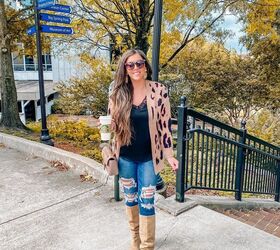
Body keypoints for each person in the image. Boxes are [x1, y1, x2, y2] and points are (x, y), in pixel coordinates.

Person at [107, 49, 178, 250]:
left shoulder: (159, 90)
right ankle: (135, 241)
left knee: (146, 201)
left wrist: (170, 155)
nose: (136, 68)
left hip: (149, 157)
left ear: (145, 66)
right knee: (131, 199)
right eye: (131, 65)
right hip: (125, 157)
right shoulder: (117, 92)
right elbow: (112, 124)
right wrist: (107, 126)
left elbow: (165, 126)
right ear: (125, 69)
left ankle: (147, 246)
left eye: (139, 63)